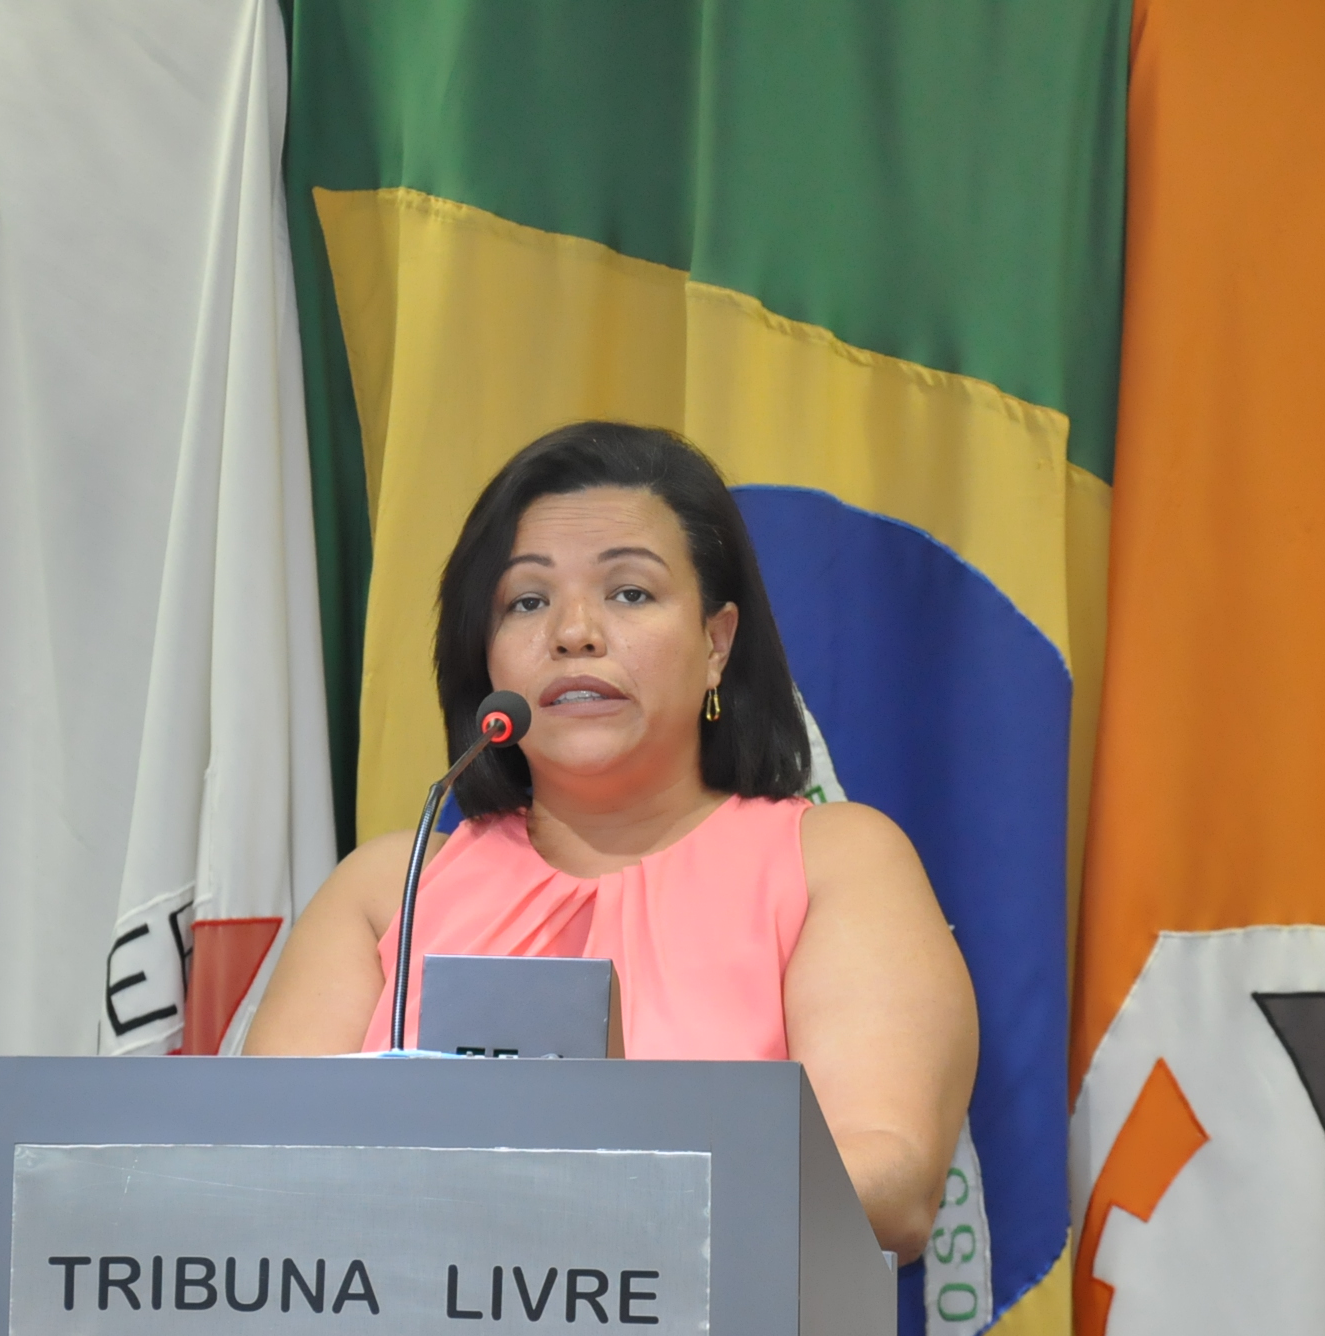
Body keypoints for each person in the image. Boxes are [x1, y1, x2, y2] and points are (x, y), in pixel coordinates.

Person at [246, 421, 977, 1260]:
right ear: (487, 659)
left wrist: (580, 1200)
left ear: (716, 644)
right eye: (527, 601)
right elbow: (247, 1173)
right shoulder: (390, 890)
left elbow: (889, 1179)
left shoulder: (832, 863)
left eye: (629, 593)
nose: (574, 632)